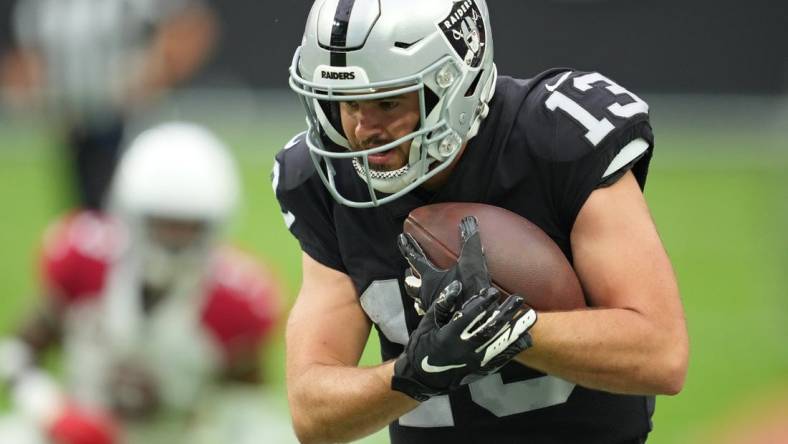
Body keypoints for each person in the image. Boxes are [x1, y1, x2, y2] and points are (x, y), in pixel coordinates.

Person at [274, 0, 689, 443]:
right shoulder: (325, 180)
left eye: (387, 101)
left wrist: (506, 327)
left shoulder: (552, 137)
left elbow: (661, 353)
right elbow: (312, 413)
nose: (361, 131)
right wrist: (416, 372)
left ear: (454, 83)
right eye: (345, 104)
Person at [0, 122, 287, 444]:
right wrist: (52, 411)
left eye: (189, 227)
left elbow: (246, 408)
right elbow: (16, 351)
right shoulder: (84, 261)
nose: (175, 240)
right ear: (130, 213)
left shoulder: (235, 301)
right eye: (162, 223)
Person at [0, 0, 217, 209]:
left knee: (140, 207)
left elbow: (192, 26)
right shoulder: (45, 7)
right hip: (75, 127)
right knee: (88, 212)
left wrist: (152, 78)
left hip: (131, 125)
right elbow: (26, 59)